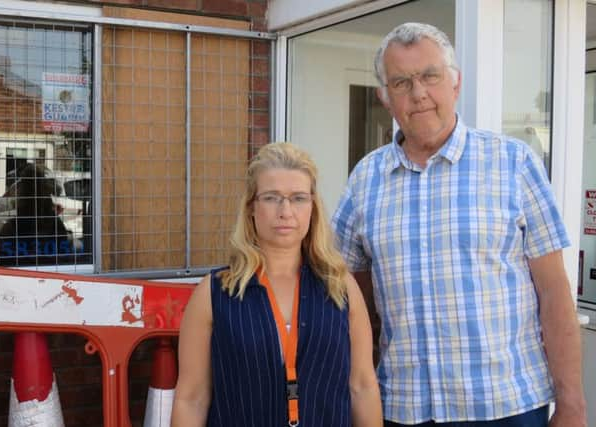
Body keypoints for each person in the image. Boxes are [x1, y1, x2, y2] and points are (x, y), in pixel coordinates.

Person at [332, 22, 586, 427]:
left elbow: (555, 293)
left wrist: (572, 406)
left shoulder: (514, 163)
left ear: (455, 82)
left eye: (430, 76)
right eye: (401, 82)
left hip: (507, 407)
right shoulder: (365, 180)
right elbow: (350, 300)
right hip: (403, 408)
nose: (419, 94)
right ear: (384, 97)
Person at [172, 142, 382, 427]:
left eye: (298, 198)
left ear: (313, 207)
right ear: (251, 208)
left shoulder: (339, 286)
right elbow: (192, 398)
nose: (285, 211)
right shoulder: (214, 293)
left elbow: (362, 386)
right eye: (271, 198)